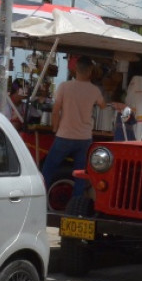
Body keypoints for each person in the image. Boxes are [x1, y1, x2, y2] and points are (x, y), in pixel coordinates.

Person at [41, 56, 107, 198]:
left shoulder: (65, 86)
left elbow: (55, 110)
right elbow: (103, 106)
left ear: (75, 70)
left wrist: (55, 129)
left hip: (64, 135)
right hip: (84, 138)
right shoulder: (94, 90)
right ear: (90, 72)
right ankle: (76, 206)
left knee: (48, 169)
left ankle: (40, 199)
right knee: (80, 174)